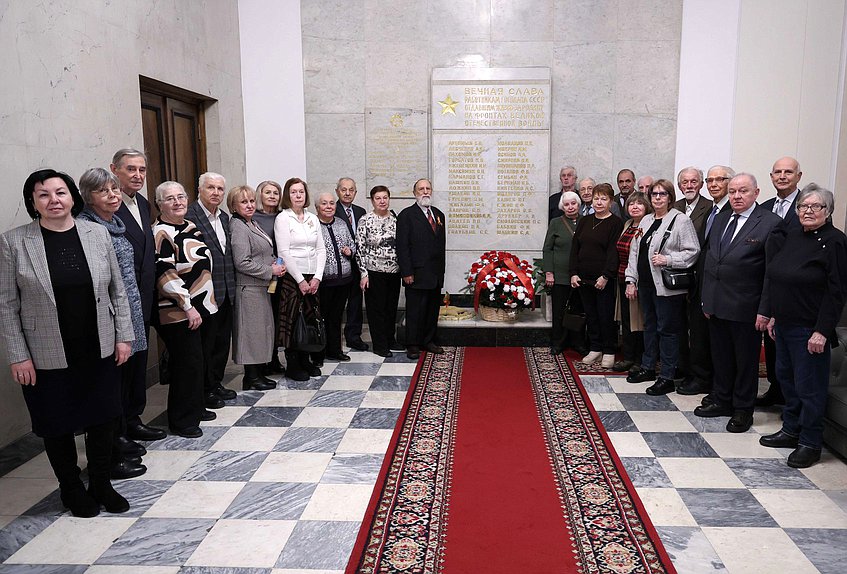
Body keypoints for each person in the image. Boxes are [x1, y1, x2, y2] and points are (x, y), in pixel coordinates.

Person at [0, 169, 134, 517]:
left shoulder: (97, 234)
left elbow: (117, 291)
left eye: (60, 192)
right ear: (33, 202)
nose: (53, 200)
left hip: (99, 345)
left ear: (73, 197)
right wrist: (18, 356)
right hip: (45, 352)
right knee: (56, 422)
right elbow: (6, 305)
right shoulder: (14, 242)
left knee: (103, 418)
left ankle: (102, 484)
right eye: (43, 194)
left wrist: (124, 336)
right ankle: (71, 488)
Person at [759, 183, 847, 468]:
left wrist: (822, 330)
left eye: (815, 206)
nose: (808, 211)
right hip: (783, 324)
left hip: (810, 330)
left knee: (810, 387)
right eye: (803, 206)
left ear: (828, 211)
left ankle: (810, 442)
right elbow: (779, 276)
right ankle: (791, 429)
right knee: (786, 379)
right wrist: (773, 315)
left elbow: (837, 291)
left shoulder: (834, 241)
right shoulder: (795, 235)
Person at [694, 174, 781, 433]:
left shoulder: (770, 223)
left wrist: (765, 310)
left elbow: (771, 273)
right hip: (717, 304)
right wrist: (706, 300)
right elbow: (711, 262)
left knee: (745, 362)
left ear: (756, 192)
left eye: (743, 191)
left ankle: (743, 409)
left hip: (747, 307)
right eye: (732, 192)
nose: (737, 196)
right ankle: (722, 399)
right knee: (721, 357)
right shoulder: (721, 218)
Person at [77, 168, 149, 480]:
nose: (113, 196)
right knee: (110, 388)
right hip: (108, 319)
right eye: (104, 191)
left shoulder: (115, 224)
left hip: (130, 310)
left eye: (115, 190)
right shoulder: (86, 229)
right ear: (87, 197)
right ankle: (110, 449)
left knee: (128, 382)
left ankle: (123, 435)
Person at [152, 182, 218, 439]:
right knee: (185, 364)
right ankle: (181, 420)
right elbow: (165, 274)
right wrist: (188, 306)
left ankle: (195, 407)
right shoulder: (160, 233)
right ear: (160, 204)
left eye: (181, 196)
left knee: (198, 361)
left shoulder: (189, 226)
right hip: (179, 310)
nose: (177, 202)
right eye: (170, 198)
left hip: (202, 306)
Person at [110, 149, 166, 445]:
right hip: (120, 303)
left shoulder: (143, 204)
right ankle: (117, 430)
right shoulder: (107, 207)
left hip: (144, 299)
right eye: (130, 169)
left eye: (142, 170)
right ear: (114, 170)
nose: (137, 175)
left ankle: (133, 419)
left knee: (138, 365)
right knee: (121, 369)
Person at [625, 179, 700, 395]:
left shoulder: (680, 220)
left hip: (667, 288)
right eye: (654, 194)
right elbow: (635, 252)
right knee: (650, 327)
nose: (658, 197)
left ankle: (667, 376)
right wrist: (631, 279)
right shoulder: (646, 220)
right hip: (647, 285)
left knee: (667, 331)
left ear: (670, 198)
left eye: (663, 194)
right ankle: (648, 368)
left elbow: (692, 251)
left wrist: (668, 260)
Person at [679, 165, 734, 398]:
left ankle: (714, 383)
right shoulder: (714, 211)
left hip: (724, 285)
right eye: (710, 180)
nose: (713, 184)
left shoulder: (730, 210)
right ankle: (703, 377)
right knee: (700, 332)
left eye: (719, 180)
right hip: (699, 279)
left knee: (718, 338)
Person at [186, 172, 237, 409]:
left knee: (221, 342)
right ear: (199, 190)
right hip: (203, 293)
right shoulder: (189, 216)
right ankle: (203, 390)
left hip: (225, 290)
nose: (215, 193)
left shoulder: (225, 218)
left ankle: (215, 383)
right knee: (205, 345)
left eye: (219, 189)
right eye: (210, 188)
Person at [756, 156, 803, 407]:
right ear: (771, 176)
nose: (782, 176)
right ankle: (776, 389)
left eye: (788, 172)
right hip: (767, 282)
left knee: (789, 344)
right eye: (777, 172)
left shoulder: (807, 206)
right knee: (771, 340)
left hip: (794, 286)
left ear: (799, 176)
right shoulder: (764, 207)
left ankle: (792, 401)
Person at [228, 185, 285, 390]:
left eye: (252, 201)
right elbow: (242, 262)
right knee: (251, 333)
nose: (250, 205)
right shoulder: (238, 226)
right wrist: (271, 271)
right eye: (244, 202)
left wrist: (275, 265)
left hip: (261, 287)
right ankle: (251, 377)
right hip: (249, 288)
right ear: (234, 205)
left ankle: (258, 373)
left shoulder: (251, 223)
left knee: (261, 331)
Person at [274, 178, 327, 380]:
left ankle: (307, 360)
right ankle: (294, 364)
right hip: (292, 278)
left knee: (310, 319)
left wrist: (317, 278)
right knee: (294, 320)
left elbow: (321, 249)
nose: (298, 195)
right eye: (294, 192)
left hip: (313, 278)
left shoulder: (313, 218)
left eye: (301, 192)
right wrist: (300, 280)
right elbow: (284, 252)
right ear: (288, 195)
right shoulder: (283, 218)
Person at [570, 183, 624, 368]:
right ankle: (595, 348)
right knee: (591, 315)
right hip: (583, 278)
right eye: (596, 198)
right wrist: (573, 273)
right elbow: (575, 248)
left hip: (603, 280)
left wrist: (606, 276)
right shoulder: (585, 220)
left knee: (605, 315)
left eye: (603, 199)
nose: (599, 202)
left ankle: (609, 350)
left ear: (611, 201)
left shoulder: (616, 223)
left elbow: (613, 252)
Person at [673, 166, 713, 396]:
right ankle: (683, 366)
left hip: (699, 275)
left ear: (700, 184)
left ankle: (700, 375)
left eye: (693, 181)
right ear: (679, 186)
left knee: (698, 330)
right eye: (685, 182)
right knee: (678, 326)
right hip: (675, 276)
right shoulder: (675, 207)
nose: (689, 185)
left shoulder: (710, 208)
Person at [397, 178, 446, 360]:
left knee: (432, 310)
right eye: (421, 189)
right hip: (416, 273)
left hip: (435, 274)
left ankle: (428, 340)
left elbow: (441, 246)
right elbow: (402, 246)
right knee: (415, 310)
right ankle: (413, 344)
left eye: (428, 188)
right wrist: (407, 272)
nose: (425, 192)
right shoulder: (407, 215)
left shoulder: (439, 215)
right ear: (414, 193)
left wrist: (442, 271)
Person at [357, 185, 403, 358]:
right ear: (372, 200)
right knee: (377, 310)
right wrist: (363, 274)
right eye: (378, 198)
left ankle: (391, 339)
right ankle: (380, 344)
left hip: (394, 271)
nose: (382, 201)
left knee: (391, 307)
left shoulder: (396, 219)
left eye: (385, 197)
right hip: (373, 271)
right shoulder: (365, 220)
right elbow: (360, 248)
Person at [613, 192, 652, 372]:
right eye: (631, 204)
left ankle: (639, 359)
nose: (634, 207)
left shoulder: (648, 225)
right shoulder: (627, 224)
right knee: (627, 321)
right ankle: (628, 357)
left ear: (646, 206)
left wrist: (633, 281)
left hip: (638, 280)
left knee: (640, 322)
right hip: (623, 278)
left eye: (639, 204)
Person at [317, 191, 357, 362]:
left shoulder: (341, 223)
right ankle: (319, 352)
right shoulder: (313, 224)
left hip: (344, 280)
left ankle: (335, 350)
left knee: (336, 317)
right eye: (324, 203)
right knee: (321, 317)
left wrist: (350, 251)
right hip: (324, 281)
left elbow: (352, 245)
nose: (329, 207)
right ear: (317, 207)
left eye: (331, 203)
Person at [543, 190, 581, 354]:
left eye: (573, 203)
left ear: (578, 205)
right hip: (560, 275)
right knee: (559, 311)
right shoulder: (556, 223)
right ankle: (558, 343)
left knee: (578, 310)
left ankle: (578, 342)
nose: (570, 207)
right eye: (566, 204)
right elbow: (547, 248)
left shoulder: (586, 222)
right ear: (562, 207)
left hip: (580, 275)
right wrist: (549, 272)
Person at [254, 179, 285, 375]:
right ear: (260, 195)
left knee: (276, 318)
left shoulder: (283, 217)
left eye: (275, 192)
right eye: (268, 192)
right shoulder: (252, 218)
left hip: (281, 274)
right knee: (261, 321)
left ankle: (273, 358)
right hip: (260, 275)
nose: (272, 196)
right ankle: (260, 361)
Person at [335, 177, 369, 351]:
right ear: (337, 191)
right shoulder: (331, 209)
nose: (347, 193)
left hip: (356, 264)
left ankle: (353, 336)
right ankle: (332, 339)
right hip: (339, 265)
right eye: (343, 189)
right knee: (337, 303)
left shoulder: (360, 211)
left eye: (351, 190)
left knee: (356, 301)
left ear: (355, 192)